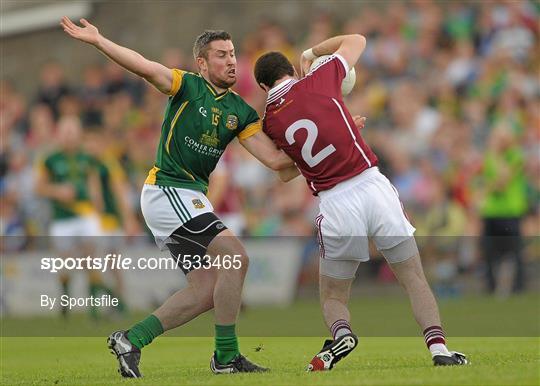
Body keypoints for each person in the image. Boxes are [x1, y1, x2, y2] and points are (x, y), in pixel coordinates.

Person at [61, 17, 296, 377]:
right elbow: (142, 66)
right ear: (202, 63)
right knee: (236, 258)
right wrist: (99, 41)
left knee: (205, 290)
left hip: (188, 198)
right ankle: (226, 357)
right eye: (221, 55)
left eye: (233, 54)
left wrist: (330, 140)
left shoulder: (242, 113)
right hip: (167, 190)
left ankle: (131, 339)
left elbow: (279, 163)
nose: (231, 61)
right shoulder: (186, 85)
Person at [253, 34, 468, 369]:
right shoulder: (319, 79)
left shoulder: (269, 121)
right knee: (413, 277)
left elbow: (283, 170)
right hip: (372, 186)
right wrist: (311, 52)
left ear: (263, 87)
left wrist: (338, 129)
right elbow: (357, 39)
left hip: (336, 203)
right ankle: (439, 349)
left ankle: (342, 335)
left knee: (334, 295)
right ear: (291, 69)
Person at [34, 116, 107, 319]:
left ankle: (94, 310)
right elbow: (38, 188)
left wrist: (97, 202)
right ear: (59, 135)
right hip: (62, 219)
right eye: (66, 133)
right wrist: (57, 191)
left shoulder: (87, 157)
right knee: (66, 265)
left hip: (85, 216)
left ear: (78, 135)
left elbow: (93, 183)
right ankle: (65, 299)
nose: (69, 137)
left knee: (92, 258)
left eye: (73, 133)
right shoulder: (50, 159)